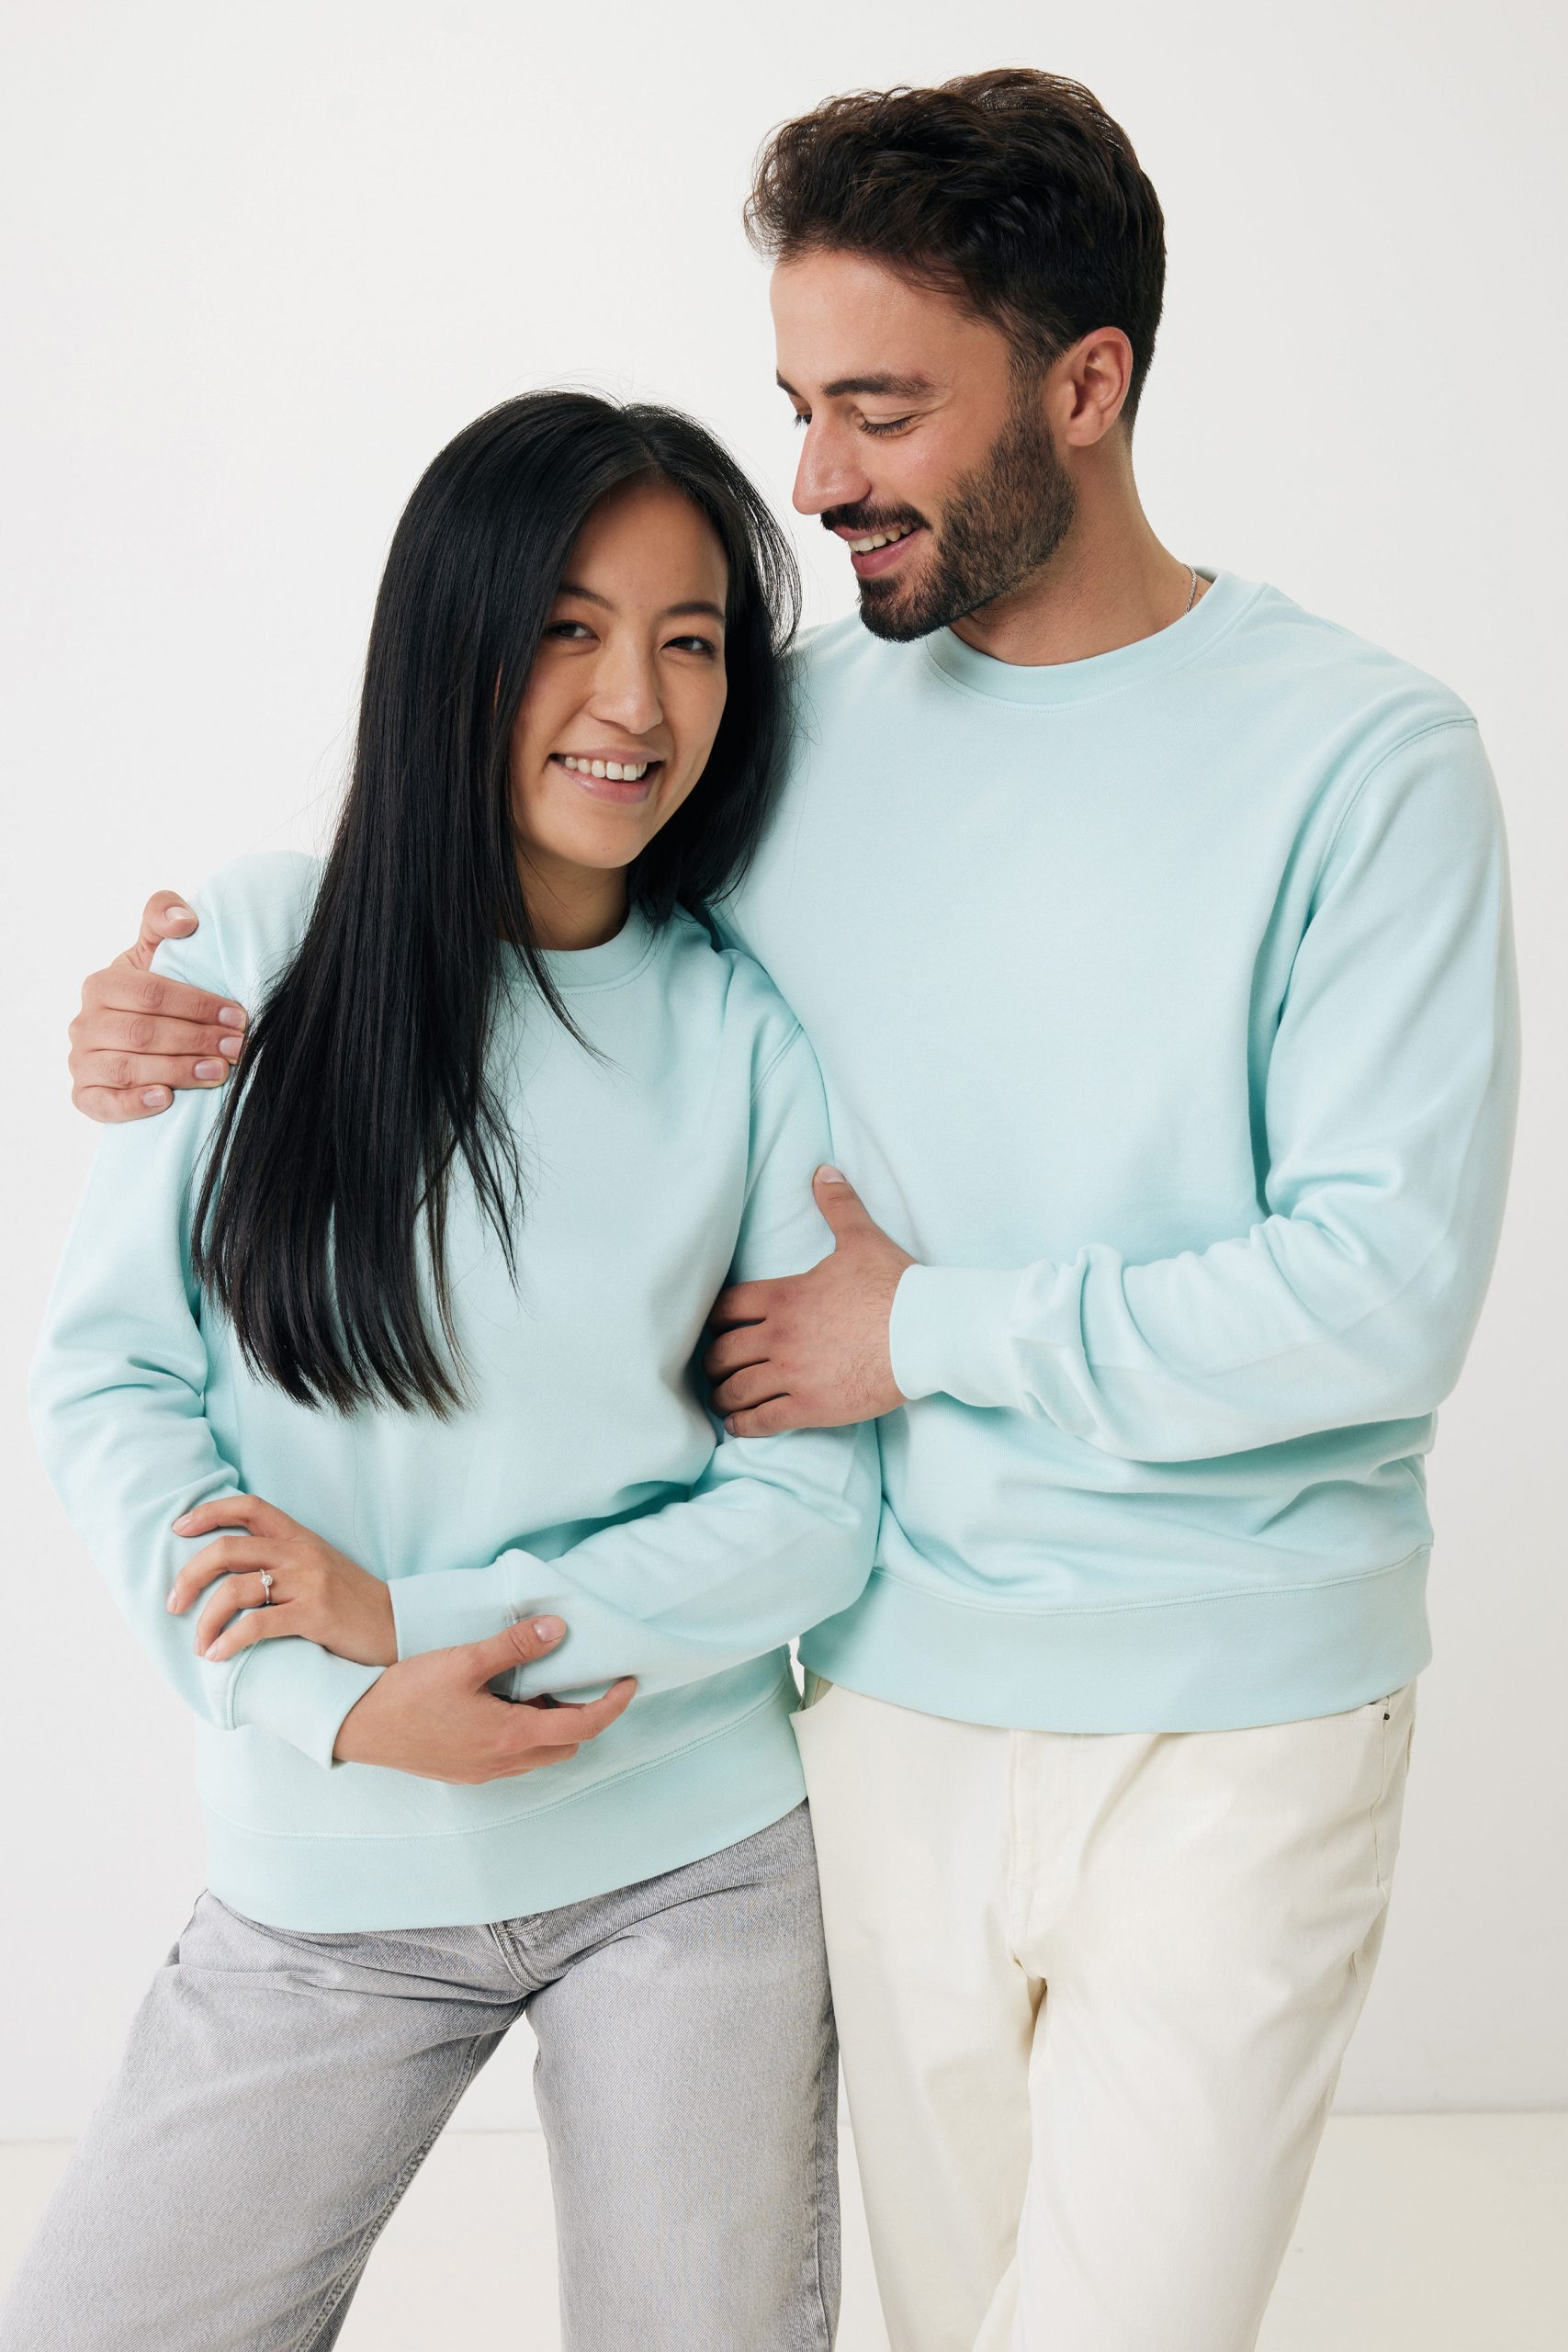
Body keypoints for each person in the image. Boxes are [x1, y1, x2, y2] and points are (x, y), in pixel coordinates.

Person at [59, 67, 1519, 2352]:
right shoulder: (783, 735)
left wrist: (912, 1330)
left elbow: (1381, 1294)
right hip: (886, 1703)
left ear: (1086, 384)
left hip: (1226, 1702)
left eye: (879, 409)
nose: (817, 478)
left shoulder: (1362, 755)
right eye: (800, 407)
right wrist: (172, 1012)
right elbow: (484, 901)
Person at [10, 390, 877, 2352]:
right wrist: (327, 1700)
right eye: (567, 627)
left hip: (688, 1862)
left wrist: (425, 1622)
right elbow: (113, 1385)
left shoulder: (742, 1038)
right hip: (326, 1855)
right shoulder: (256, 950)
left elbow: (811, 1507)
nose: (633, 702)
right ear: (450, 642)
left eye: (689, 641)